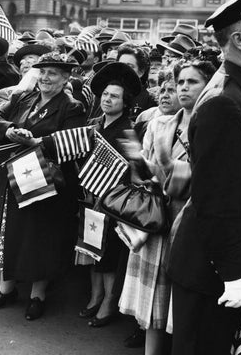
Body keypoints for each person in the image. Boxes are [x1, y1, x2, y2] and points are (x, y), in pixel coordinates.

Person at [166, 0, 241, 353]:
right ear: (240, 40)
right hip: (220, 274)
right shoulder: (223, 100)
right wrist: (234, 274)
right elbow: (217, 199)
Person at [119, 59, 216, 355]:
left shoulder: (211, 126)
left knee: (179, 299)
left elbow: (204, 177)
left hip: (184, 222)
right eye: (180, 82)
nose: (183, 88)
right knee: (153, 296)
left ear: (208, 87)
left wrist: (165, 166)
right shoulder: (161, 124)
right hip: (155, 218)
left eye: (192, 82)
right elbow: (146, 172)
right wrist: (139, 162)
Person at [0, 51, 85, 320]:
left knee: (40, 237)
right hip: (9, 176)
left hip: (45, 180)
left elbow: (72, 144)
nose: (45, 77)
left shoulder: (72, 106)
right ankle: (6, 289)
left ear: (65, 78)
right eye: (42, 71)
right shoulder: (22, 96)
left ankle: (37, 295)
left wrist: (38, 142)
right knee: (9, 231)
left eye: (52, 73)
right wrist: (9, 130)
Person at [77, 62, 141, 327]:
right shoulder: (92, 124)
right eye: (104, 94)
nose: (107, 99)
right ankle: (95, 297)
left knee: (109, 256)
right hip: (88, 199)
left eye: (114, 96)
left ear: (125, 102)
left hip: (113, 203)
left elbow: (137, 171)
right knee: (91, 250)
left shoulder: (129, 131)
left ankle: (108, 302)